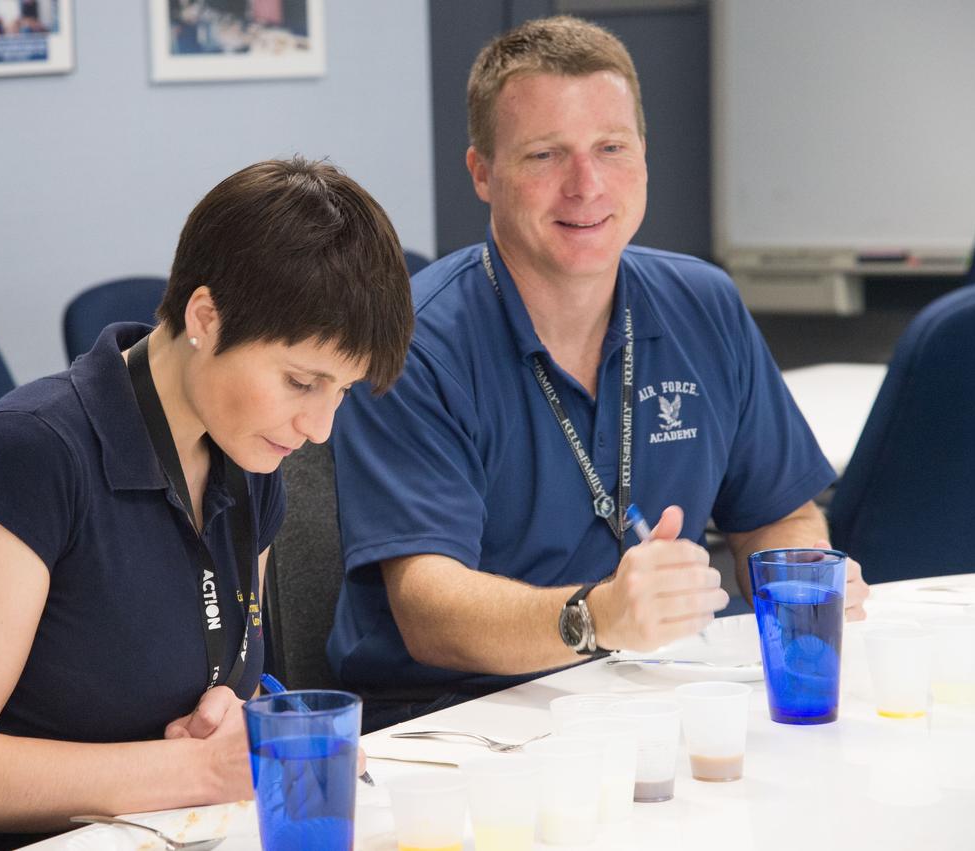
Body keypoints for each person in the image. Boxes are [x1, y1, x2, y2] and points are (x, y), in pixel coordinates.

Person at [327, 16, 870, 731]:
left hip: (654, 694)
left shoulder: (702, 304)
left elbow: (774, 512)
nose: (585, 186)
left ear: (642, 157)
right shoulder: (415, 341)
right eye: (545, 155)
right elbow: (428, 607)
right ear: (482, 173)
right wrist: (595, 615)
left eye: (610, 148)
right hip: (452, 722)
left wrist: (798, 578)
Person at [0, 157, 414, 850]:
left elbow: (227, 670)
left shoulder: (248, 452)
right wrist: (192, 767)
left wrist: (239, 715)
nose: (319, 428)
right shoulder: (28, 456)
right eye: (299, 381)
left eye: (340, 390)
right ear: (205, 318)